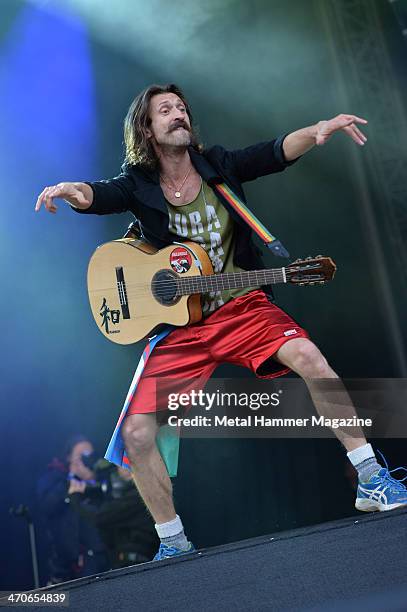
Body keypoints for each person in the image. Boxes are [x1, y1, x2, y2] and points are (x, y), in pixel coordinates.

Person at [35, 83, 407, 561]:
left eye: (181, 108)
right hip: (183, 327)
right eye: (165, 110)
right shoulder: (138, 183)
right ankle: (172, 542)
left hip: (242, 308)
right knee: (137, 434)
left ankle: (371, 478)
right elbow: (99, 196)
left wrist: (316, 131)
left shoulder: (217, 167)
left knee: (309, 356)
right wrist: (72, 190)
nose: (177, 115)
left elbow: (272, 153)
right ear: (146, 130)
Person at [37, 435, 109, 583]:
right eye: (80, 456)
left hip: (95, 558)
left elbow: (109, 507)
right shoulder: (55, 478)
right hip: (63, 560)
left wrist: (91, 480)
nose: (85, 460)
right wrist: (70, 482)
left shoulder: (101, 478)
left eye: (88, 455)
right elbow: (46, 506)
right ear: (69, 457)